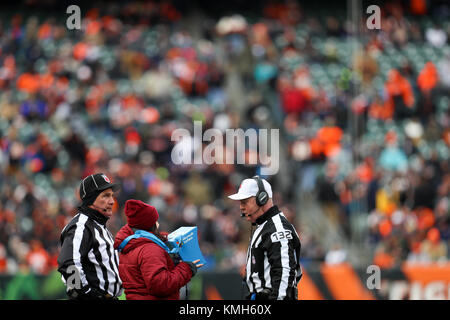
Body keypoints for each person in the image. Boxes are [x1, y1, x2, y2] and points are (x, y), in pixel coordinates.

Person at [228, 176, 302, 300]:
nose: (241, 207)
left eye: (244, 201)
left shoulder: (278, 228)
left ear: (261, 199)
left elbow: (284, 274)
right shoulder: (266, 226)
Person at [113, 199, 203, 300]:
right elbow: (161, 285)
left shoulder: (131, 244)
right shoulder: (150, 249)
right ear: (148, 224)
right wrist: (186, 269)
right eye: (155, 220)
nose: (158, 223)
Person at [57, 173, 123, 300]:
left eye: (112, 196)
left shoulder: (99, 226)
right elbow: (68, 264)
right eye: (105, 196)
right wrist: (86, 293)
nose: (111, 201)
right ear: (91, 199)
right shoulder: (81, 226)